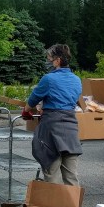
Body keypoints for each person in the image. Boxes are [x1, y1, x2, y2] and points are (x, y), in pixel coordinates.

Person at [24, 44, 83, 185]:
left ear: (57, 61)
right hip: (70, 129)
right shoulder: (76, 79)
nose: (48, 61)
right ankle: (71, 200)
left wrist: (26, 110)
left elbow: (33, 100)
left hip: (52, 129)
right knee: (71, 175)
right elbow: (68, 100)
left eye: (49, 58)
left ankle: (53, 199)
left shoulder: (48, 79)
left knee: (51, 172)